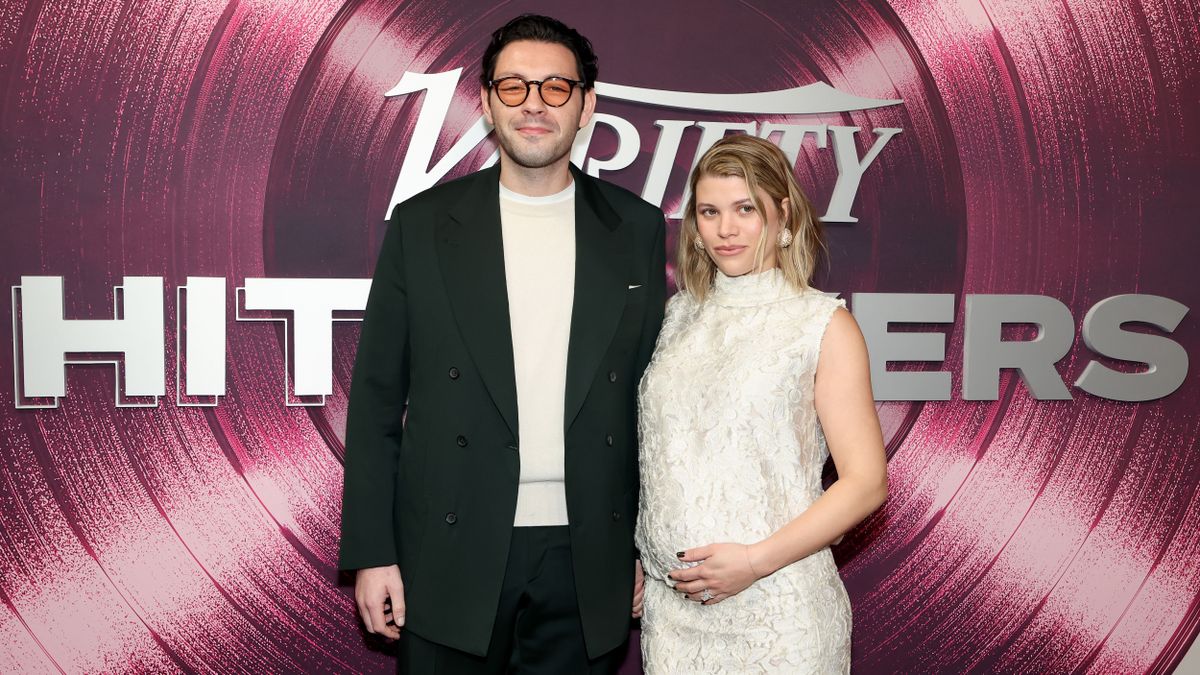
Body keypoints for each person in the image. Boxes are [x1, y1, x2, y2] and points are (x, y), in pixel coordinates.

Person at [337, 14, 666, 674]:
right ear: (487, 102)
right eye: (514, 86)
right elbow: (375, 401)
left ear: (586, 104)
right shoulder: (424, 225)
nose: (534, 104)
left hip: (587, 547)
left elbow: (652, 402)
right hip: (450, 541)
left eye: (555, 87)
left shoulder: (635, 227)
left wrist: (646, 548)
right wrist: (374, 551)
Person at [634, 134, 888, 673]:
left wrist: (753, 562)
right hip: (674, 616)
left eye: (745, 208)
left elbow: (865, 483)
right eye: (709, 211)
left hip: (778, 609)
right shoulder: (676, 319)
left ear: (784, 214)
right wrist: (640, 555)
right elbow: (658, 455)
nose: (726, 229)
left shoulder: (822, 325)